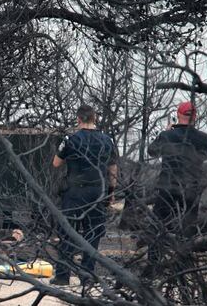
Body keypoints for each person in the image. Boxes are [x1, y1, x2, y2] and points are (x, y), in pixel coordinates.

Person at [50, 105, 117, 286]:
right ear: (95, 118)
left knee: (68, 232)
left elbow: (56, 163)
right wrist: (110, 193)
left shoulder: (70, 139)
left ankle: (63, 275)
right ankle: (87, 276)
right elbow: (112, 170)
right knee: (93, 233)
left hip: (74, 192)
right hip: (97, 192)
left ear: (78, 119)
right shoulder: (107, 140)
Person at [147, 101, 207, 265]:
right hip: (191, 189)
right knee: (188, 226)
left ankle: (154, 262)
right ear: (195, 117)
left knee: (159, 225)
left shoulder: (167, 136)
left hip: (167, 187)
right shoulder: (203, 138)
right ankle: (183, 263)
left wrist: (166, 132)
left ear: (178, 115)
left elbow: (152, 151)